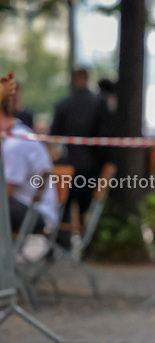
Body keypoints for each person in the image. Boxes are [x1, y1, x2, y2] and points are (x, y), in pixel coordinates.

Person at [51, 68, 104, 233]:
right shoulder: (98, 104)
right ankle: (84, 244)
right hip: (91, 165)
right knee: (86, 207)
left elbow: (54, 135)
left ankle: (61, 242)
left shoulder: (63, 104)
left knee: (63, 206)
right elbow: (103, 135)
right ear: (87, 79)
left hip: (68, 165)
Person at [1, 85, 59, 235]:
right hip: (34, 209)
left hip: (37, 214)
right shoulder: (19, 135)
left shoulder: (15, 144)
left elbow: (7, 190)